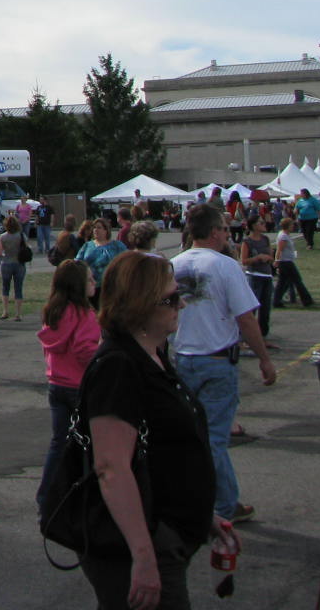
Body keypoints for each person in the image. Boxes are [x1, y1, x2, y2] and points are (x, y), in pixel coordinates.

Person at [78, 250, 236, 609]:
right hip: (141, 542)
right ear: (141, 304)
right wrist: (144, 556)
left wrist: (201, 514)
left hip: (169, 530)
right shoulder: (117, 366)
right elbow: (111, 468)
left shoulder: (154, 354)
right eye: (171, 298)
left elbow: (163, 449)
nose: (180, 305)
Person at [170, 203, 277, 524]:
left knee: (196, 436)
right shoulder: (226, 266)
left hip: (184, 358)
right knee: (214, 439)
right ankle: (219, 505)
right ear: (214, 232)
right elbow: (246, 318)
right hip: (215, 360)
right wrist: (265, 359)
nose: (227, 235)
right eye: (224, 230)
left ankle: (211, 497)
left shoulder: (172, 266)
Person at [35, 259, 100, 513]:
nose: (95, 283)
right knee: (90, 444)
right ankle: (87, 496)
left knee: (59, 443)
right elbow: (85, 351)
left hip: (56, 384)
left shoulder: (54, 310)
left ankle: (47, 496)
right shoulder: (85, 314)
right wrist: (103, 353)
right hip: (79, 386)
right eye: (90, 280)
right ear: (78, 286)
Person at [239, 215, 275, 339]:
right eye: (260, 223)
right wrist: (257, 258)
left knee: (266, 308)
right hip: (254, 276)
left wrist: (268, 258)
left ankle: (263, 334)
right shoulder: (247, 241)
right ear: (254, 226)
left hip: (267, 275)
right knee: (253, 306)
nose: (263, 224)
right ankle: (247, 334)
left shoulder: (265, 239)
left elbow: (271, 257)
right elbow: (244, 260)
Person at [273, 217, 314, 308]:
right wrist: (277, 260)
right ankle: (306, 300)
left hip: (288, 261)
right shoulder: (283, 236)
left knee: (283, 282)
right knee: (297, 280)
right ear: (287, 226)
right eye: (291, 225)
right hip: (286, 262)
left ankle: (276, 301)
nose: (293, 226)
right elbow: (279, 250)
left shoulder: (286, 235)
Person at [78, 222, 127, 292]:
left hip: (112, 285)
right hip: (92, 286)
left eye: (99, 227)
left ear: (106, 230)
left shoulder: (117, 245)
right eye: (94, 227)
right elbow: (78, 262)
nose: (95, 230)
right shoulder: (87, 245)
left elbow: (127, 260)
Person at [0, 214, 28, 321]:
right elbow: (26, 248)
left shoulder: (2, 237)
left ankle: (5, 311)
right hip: (19, 263)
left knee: (5, 287)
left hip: (6, 263)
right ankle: (18, 313)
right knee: (18, 288)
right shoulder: (21, 236)